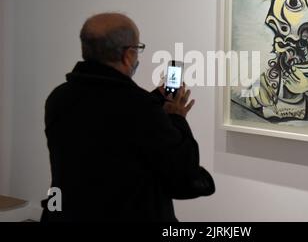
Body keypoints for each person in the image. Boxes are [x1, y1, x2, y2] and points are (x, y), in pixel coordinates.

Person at [40, 13, 215, 222]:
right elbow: (183, 179)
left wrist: (153, 101)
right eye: (138, 49)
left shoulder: (59, 98)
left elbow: (106, 118)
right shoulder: (140, 109)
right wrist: (177, 118)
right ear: (128, 55)